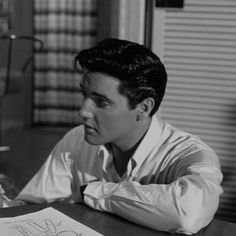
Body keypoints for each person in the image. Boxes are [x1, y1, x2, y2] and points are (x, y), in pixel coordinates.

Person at [7, 38, 223, 234]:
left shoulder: (189, 154)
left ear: (144, 108)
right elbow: (30, 206)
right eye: (84, 95)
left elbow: (188, 212)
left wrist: (93, 191)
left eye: (101, 102)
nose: (83, 111)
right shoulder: (76, 140)